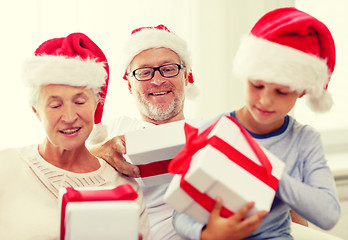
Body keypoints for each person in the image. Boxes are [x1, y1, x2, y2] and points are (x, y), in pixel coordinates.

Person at [172, 7, 341, 239]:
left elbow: (328, 214)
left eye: (281, 92)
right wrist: (205, 234)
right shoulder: (213, 131)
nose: (265, 100)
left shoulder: (304, 140)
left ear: (301, 92)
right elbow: (180, 211)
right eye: (257, 85)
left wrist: (267, 174)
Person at [90, 25, 267, 240]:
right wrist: (99, 152)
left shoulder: (215, 131)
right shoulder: (112, 131)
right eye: (144, 72)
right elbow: (62, 166)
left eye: (168, 68)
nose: (157, 80)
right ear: (129, 85)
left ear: (187, 76)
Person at [0, 32, 150, 240]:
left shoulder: (123, 187)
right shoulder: (6, 166)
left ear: (96, 105)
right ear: (36, 111)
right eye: (55, 105)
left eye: (80, 102)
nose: (70, 117)